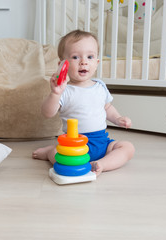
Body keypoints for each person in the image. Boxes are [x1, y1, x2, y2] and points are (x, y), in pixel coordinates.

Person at [32, 29, 135, 176]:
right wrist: (55, 93)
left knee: (127, 147)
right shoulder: (64, 90)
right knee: (57, 154)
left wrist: (118, 118)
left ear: (97, 62)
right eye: (75, 57)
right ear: (62, 65)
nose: (84, 62)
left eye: (90, 56)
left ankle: (101, 164)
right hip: (73, 144)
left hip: (101, 142)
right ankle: (50, 152)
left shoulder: (100, 86)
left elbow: (107, 107)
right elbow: (47, 113)